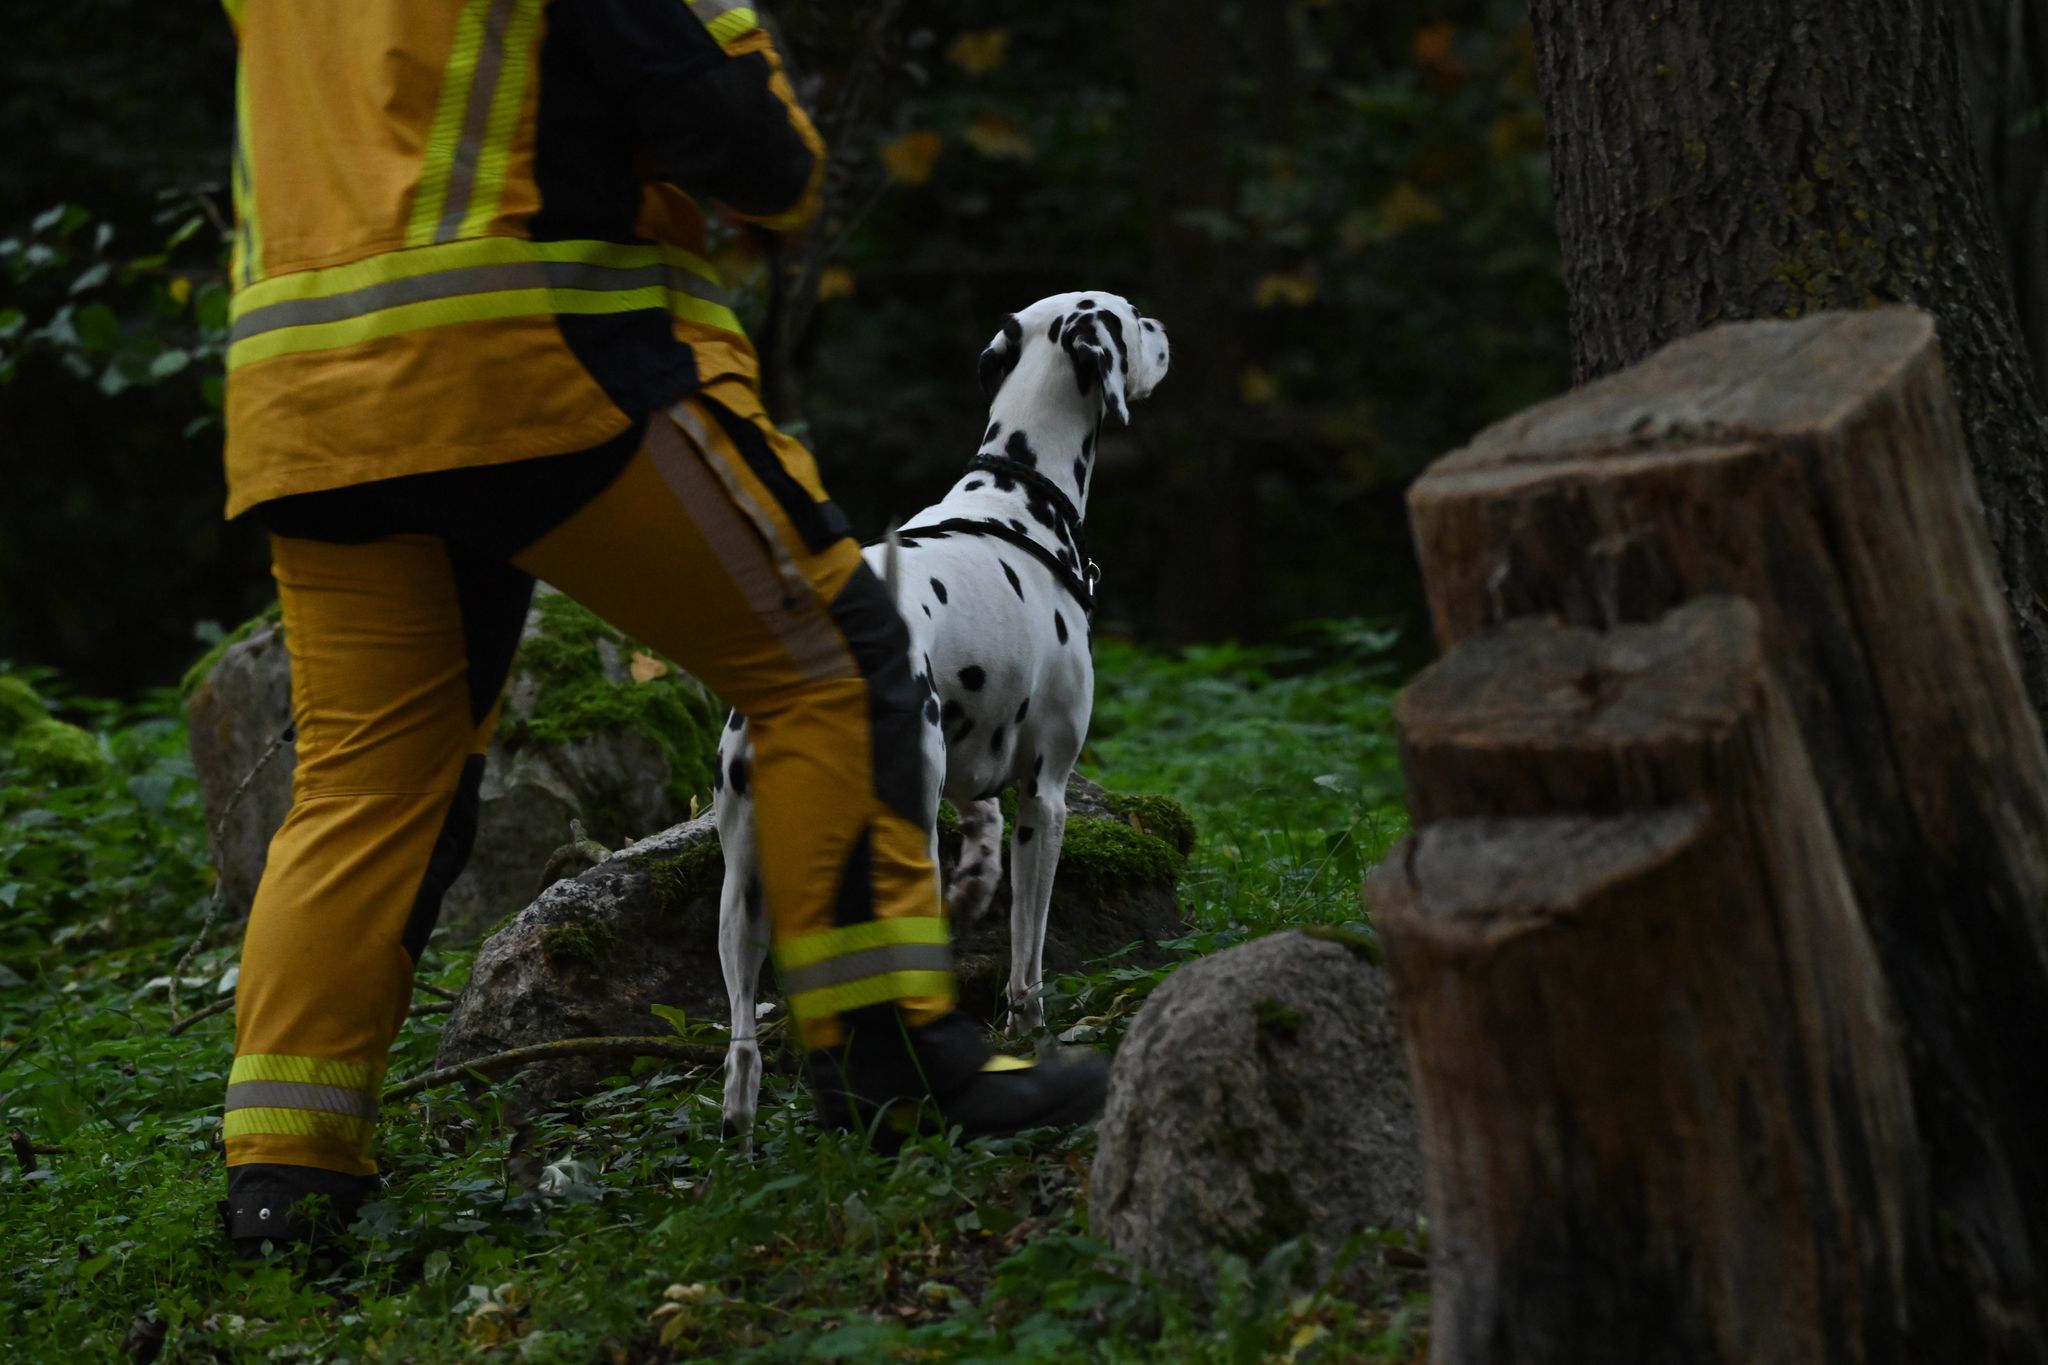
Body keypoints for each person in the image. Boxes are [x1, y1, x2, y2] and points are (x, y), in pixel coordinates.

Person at [214, 0, 1107, 1255]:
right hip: (533, 363)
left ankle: (285, 1188)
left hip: (304, 403)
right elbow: (749, 150)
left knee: (365, 783)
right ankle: (894, 1066)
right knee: (836, 663)